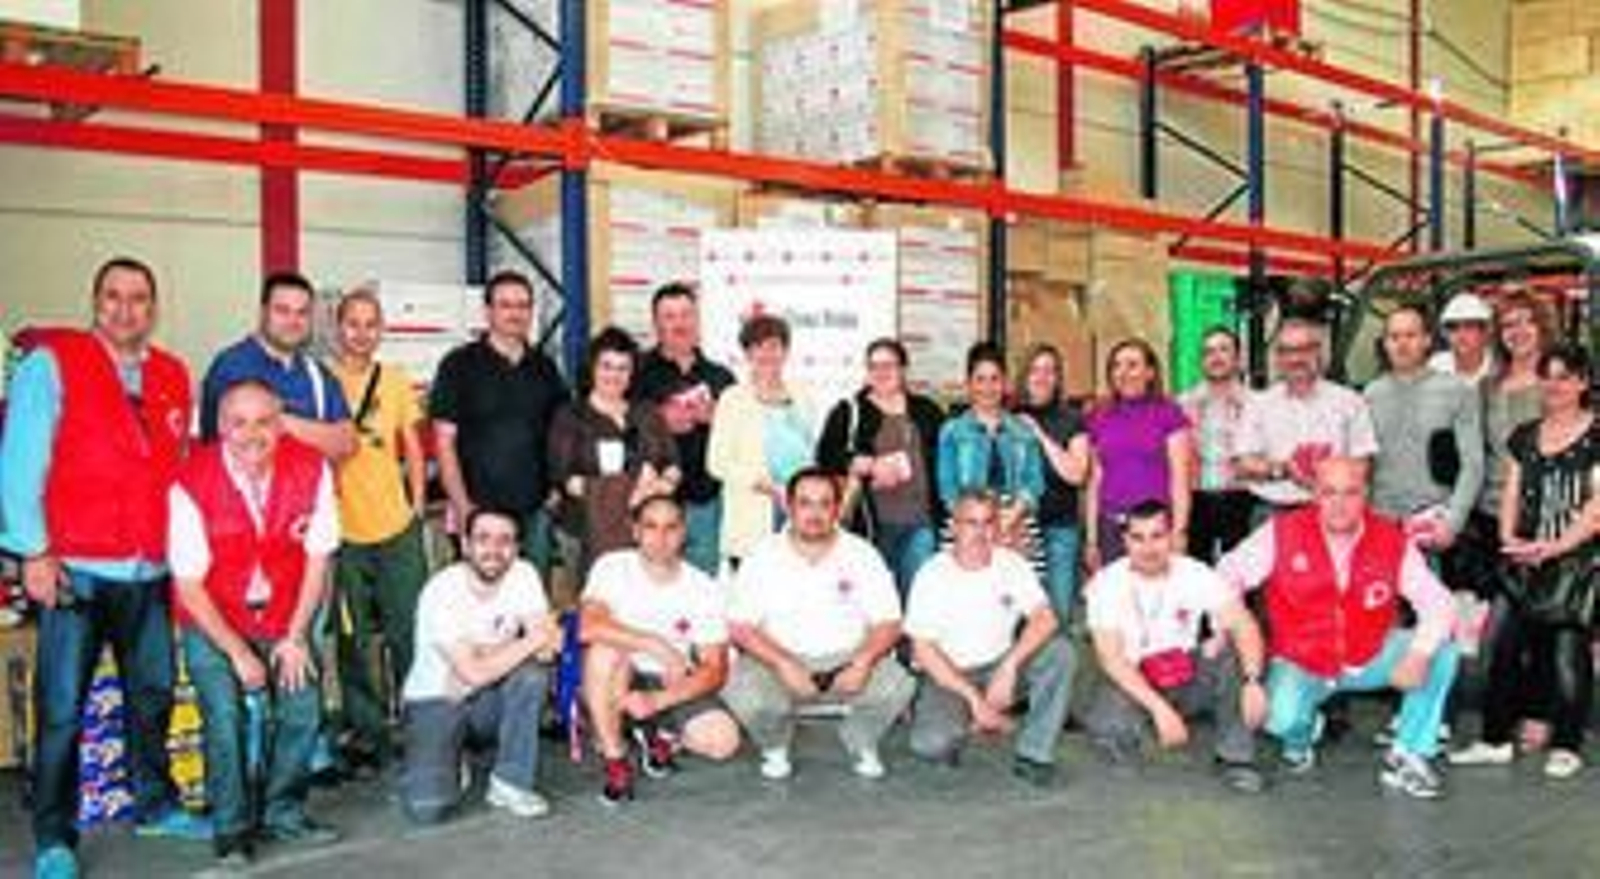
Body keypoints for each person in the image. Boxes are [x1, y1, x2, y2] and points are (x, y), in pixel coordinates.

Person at [0, 258, 208, 879]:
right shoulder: (51, 364)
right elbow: (18, 464)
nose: (126, 309)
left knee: (152, 694)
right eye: (113, 297)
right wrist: (32, 551)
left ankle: (155, 803)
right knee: (63, 705)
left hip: (149, 570)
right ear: (95, 303)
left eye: (139, 299)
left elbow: (180, 468)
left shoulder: (172, 373)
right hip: (75, 572)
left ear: (154, 308)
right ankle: (53, 836)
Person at [169, 381, 341, 864]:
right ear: (220, 426)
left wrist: (296, 636)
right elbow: (188, 584)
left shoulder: (312, 468)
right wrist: (239, 652)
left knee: (302, 711)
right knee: (224, 716)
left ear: (280, 421)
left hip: (287, 611)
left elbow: (318, 561)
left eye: (264, 421)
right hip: (214, 616)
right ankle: (232, 828)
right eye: (238, 422)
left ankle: (283, 813)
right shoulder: (190, 481)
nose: (252, 434)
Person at [1218, 457, 1459, 800]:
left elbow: (1440, 603)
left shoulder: (1391, 539)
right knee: (1279, 720)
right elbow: (1227, 574)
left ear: (1366, 494)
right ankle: (1302, 736)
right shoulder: (1281, 532)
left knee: (1443, 651)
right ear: (1315, 494)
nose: (1340, 504)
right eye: (1329, 492)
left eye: (1351, 492)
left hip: (1368, 654)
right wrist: (1231, 627)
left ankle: (1408, 754)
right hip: (1302, 660)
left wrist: (1419, 655)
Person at [1452, 345, 1597, 779]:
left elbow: (1595, 508)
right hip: (1521, 560)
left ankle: (1568, 743)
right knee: (1498, 644)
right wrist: (1509, 539)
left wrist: (1557, 547)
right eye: (1547, 376)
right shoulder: (1526, 434)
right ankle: (1494, 738)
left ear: (1583, 382)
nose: (1554, 386)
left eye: (1564, 376)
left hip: (1575, 563)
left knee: (1568, 656)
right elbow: (1512, 492)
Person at [722, 468, 915, 780]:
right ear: (789, 505)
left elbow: (889, 621)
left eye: (825, 504)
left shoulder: (862, 554)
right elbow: (740, 627)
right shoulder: (762, 555)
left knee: (898, 685)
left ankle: (861, 740)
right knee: (744, 692)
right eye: (805, 503)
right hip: (779, 659)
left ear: (837, 508)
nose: (815, 513)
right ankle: (775, 746)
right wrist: (783, 663)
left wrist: (864, 661)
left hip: (848, 659)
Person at [1082, 501, 1268, 794]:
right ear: (1125, 540)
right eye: (1138, 537)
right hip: (1134, 676)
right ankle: (1156, 723)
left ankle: (1236, 758)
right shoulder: (1106, 584)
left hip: (1184, 672)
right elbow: (1111, 659)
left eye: (1157, 535)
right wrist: (1159, 709)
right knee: (1108, 727)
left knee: (1234, 653)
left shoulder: (1195, 572)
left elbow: (1243, 623)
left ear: (1172, 537)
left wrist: (1253, 680)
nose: (1148, 547)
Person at [326, 287, 431, 774]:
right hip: (343, 534)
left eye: (371, 323)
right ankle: (366, 732)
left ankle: (418, 725)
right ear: (337, 326)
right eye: (353, 323)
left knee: (408, 629)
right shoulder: (320, 379)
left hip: (395, 528)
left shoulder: (394, 380)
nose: (362, 333)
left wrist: (415, 503)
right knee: (353, 639)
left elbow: (411, 444)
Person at [400, 507, 562, 823]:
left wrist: (480, 657)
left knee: (532, 677)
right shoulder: (442, 590)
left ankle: (510, 782)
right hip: (437, 698)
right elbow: (533, 642)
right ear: (465, 545)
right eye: (483, 539)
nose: (494, 550)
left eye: (505, 541)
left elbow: (549, 649)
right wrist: (524, 643)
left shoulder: (524, 574)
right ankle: (449, 751)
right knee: (427, 809)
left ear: (516, 548)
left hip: (484, 695)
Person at [905, 490, 1076, 787]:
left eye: (988, 522)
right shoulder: (932, 574)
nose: (980, 532)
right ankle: (981, 719)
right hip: (951, 672)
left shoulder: (1011, 563)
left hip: (999, 664)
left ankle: (1034, 752)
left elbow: (1045, 618)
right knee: (931, 744)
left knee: (1061, 653)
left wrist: (1009, 666)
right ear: (955, 527)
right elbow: (924, 649)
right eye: (971, 522)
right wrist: (974, 699)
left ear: (998, 526)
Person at [580, 493, 741, 805]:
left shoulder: (703, 588)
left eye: (671, 527)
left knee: (723, 742)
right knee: (605, 651)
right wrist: (657, 645)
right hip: (613, 674)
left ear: (683, 532)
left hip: (668, 679)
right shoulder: (612, 566)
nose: (661, 537)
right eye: (650, 527)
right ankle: (616, 761)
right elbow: (589, 626)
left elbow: (715, 669)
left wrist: (658, 700)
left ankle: (658, 734)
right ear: (635, 531)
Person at [430, 269, 570, 574]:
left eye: (522, 306)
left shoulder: (544, 368)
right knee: (480, 602)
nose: (515, 313)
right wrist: (462, 505)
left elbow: (561, 433)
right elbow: (444, 442)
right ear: (488, 311)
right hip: (480, 510)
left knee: (533, 596)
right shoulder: (458, 365)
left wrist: (556, 490)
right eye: (505, 305)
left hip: (535, 511)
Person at [816, 337, 945, 598]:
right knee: (876, 604)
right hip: (872, 526)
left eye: (889, 365)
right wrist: (866, 463)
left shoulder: (927, 410)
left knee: (917, 602)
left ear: (903, 370)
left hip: (921, 524)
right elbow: (825, 455)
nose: (881, 372)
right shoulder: (849, 410)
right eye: (874, 366)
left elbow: (943, 458)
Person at [549, 326, 680, 576]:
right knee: (597, 607)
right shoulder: (570, 416)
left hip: (651, 535)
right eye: (606, 366)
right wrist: (630, 489)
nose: (614, 375)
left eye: (623, 368)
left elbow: (672, 463)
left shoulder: (647, 412)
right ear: (592, 369)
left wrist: (661, 486)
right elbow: (565, 479)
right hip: (585, 531)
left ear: (632, 373)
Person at [632, 283, 736, 576]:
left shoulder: (721, 376)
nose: (679, 324)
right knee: (651, 586)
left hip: (705, 500)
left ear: (697, 320)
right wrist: (659, 422)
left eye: (686, 315)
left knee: (702, 586)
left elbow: (741, 437)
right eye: (669, 316)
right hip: (651, 503)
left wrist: (719, 418)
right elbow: (615, 429)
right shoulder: (636, 373)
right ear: (656, 324)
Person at [1364, 306, 1485, 557]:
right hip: (1380, 521)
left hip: (1431, 522)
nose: (1402, 344)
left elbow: (1473, 464)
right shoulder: (1370, 394)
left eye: (1410, 335)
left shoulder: (1456, 391)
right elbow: (1364, 464)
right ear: (1385, 344)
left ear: (1427, 340)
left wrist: (1453, 521)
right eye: (1394, 337)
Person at [199, 271, 356, 461]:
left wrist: (277, 420)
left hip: (308, 489)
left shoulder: (318, 375)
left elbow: (346, 444)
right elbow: (222, 446)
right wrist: (318, 434)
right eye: (283, 311)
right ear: (263, 312)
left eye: (302, 313)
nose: (293, 321)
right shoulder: (231, 367)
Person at [707, 314, 819, 567]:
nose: (767, 354)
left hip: (798, 511)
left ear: (785, 351)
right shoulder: (732, 399)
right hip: (752, 515)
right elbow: (716, 462)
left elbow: (811, 454)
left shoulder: (802, 396)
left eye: (774, 346)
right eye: (757, 347)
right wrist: (764, 485)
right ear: (747, 354)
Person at [1233, 318, 1379, 512]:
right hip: (1271, 510)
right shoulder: (1259, 404)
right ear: (1277, 357)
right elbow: (1243, 464)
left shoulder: (1350, 402)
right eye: (1286, 351)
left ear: (1318, 352)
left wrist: (1330, 479)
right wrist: (1284, 469)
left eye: (1303, 349)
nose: (1295, 359)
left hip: (1334, 510)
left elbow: (1363, 462)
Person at [1085, 339, 1191, 566]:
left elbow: (1180, 478)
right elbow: (1095, 480)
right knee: (1115, 598)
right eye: (1116, 366)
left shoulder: (1170, 414)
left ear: (1150, 372)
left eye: (1132, 365)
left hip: (1155, 531)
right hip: (1111, 529)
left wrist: (1179, 530)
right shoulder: (1099, 416)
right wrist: (1092, 540)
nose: (1123, 372)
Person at [937, 342, 1045, 566]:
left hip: (1016, 521)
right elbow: (947, 487)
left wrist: (1010, 518)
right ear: (968, 384)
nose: (988, 387)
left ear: (1005, 383)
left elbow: (1035, 482)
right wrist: (977, 523)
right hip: (967, 520)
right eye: (980, 379)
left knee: (1017, 596)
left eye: (995, 379)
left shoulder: (1023, 430)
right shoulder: (952, 431)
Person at [1013, 343, 1091, 622]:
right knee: (1021, 617)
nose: (1042, 377)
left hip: (1061, 529)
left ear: (1058, 378)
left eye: (1050, 371)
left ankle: (1059, 666)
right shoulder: (1009, 415)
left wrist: (1039, 435)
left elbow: (1077, 474)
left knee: (1059, 614)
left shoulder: (1073, 419)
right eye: (1035, 369)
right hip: (1018, 529)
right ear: (1024, 375)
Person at [1179, 326, 1256, 564]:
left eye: (1224, 350)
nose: (1216, 357)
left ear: (1237, 357)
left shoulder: (1257, 404)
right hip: (1197, 499)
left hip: (1241, 498)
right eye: (1209, 352)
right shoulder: (1184, 403)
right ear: (1201, 360)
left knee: (1241, 576)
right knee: (1197, 577)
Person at [1427, 293, 1496, 386]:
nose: (1461, 336)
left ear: (1485, 332)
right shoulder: (1436, 366)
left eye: (1469, 326)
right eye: (1453, 328)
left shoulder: (1498, 367)